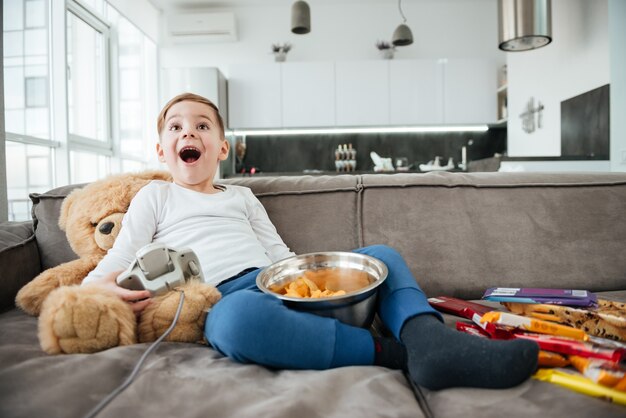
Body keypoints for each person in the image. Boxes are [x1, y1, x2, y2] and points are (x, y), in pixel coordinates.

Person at [83, 92, 539, 391]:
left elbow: (280, 255)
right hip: (222, 297)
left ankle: (429, 340)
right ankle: (396, 354)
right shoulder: (155, 195)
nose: (189, 132)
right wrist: (94, 288)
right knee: (234, 324)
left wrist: (314, 282)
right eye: (176, 127)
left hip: (276, 283)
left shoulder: (241, 196)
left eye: (202, 126)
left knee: (380, 255)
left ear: (222, 147)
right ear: (162, 151)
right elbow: (121, 257)